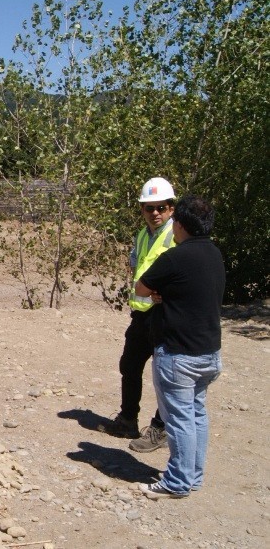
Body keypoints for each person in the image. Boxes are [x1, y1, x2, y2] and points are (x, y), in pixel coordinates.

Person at [136, 195, 225, 499]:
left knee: (179, 420)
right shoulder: (214, 254)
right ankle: (192, 477)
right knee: (196, 414)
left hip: (178, 353)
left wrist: (161, 292)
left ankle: (176, 481)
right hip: (209, 352)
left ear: (181, 223)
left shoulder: (174, 257)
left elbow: (141, 287)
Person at [98, 177, 175, 453]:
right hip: (141, 314)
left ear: (171, 208)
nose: (154, 212)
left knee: (166, 375)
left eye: (161, 207)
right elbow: (136, 262)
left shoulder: (176, 235)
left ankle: (161, 426)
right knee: (129, 366)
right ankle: (128, 419)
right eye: (148, 207)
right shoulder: (143, 234)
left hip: (165, 316)